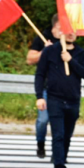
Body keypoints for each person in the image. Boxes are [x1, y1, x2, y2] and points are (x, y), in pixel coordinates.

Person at [34, 31, 84, 168]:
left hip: (73, 99)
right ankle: (60, 167)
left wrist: (70, 60)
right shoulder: (50, 51)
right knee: (57, 134)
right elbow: (40, 74)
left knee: (67, 134)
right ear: (61, 33)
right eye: (67, 31)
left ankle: (60, 156)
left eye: (74, 31)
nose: (71, 34)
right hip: (54, 98)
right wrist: (40, 96)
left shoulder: (81, 53)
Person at [26, 14, 61, 159]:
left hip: (60, 89)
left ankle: (58, 153)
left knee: (58, 123)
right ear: (55, 26)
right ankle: (40, 143)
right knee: (43, 119)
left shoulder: (69, 40)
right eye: (61, 26)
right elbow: (30, 59)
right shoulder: (43, 37)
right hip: (46, 86)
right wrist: (44, 51)